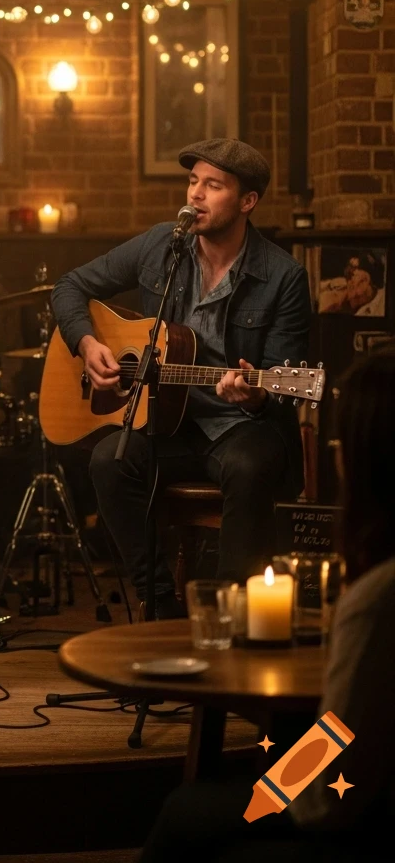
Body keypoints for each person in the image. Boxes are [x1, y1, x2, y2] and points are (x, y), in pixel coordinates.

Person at [141, 343, 395, 862]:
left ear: (365, 461)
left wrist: (274, 780)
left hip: (361, 820)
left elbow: (325, 796)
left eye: (342, 440)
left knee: (185, 812)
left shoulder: (378, 598)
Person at [52, 138, 312, 618]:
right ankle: (160, 604)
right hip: (166, 424)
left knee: (250, 467)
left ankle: (233, 615)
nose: (196, 194)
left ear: (247, 201)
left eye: (213, 185)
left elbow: (280, 385)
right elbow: (70, 286)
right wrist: (87, 343)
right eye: (193, 181)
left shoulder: (283, 277)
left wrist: (252, 393)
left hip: (239, 428)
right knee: (111, 462)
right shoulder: (161, 246)